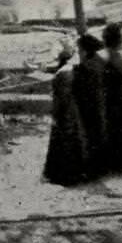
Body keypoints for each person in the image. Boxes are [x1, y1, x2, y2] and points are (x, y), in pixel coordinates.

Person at [44, 44, 88, 186]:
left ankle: (64, 175)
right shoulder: (74, 71)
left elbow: (59, 99)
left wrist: (55, 115)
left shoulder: (60, 75)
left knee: (63, 142)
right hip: (75, 110)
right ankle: (79, 172)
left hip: (65, 111)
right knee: (77, 140)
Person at [72, 33, 109, 180]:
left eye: (79, 50)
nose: (78, 54)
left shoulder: (87, 67)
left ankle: (93, 170)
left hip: (90, 106)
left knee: (90, 137)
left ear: (86, 51)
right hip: (99, 105)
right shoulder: (98, 61)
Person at [102, 22, 122, 174]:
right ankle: (119, 162)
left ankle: (113, 161)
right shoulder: (118, 58)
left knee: (112, 128)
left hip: (111, 97)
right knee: (118, 129)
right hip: (117, 97)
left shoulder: (108, 58)